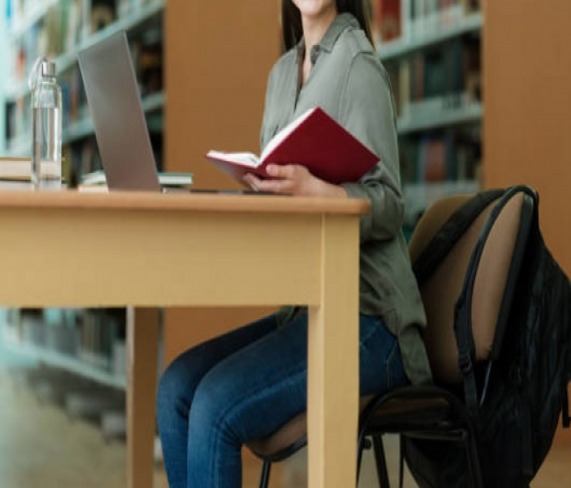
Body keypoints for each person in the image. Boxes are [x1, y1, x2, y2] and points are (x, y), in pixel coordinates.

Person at [156, 0, 432, 486]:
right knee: (176, 387)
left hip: (372, 321)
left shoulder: (358, 66)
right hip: (311, 307)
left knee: (215, 408)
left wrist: (323, 193)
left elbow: (390, 204)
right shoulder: (282, 74)